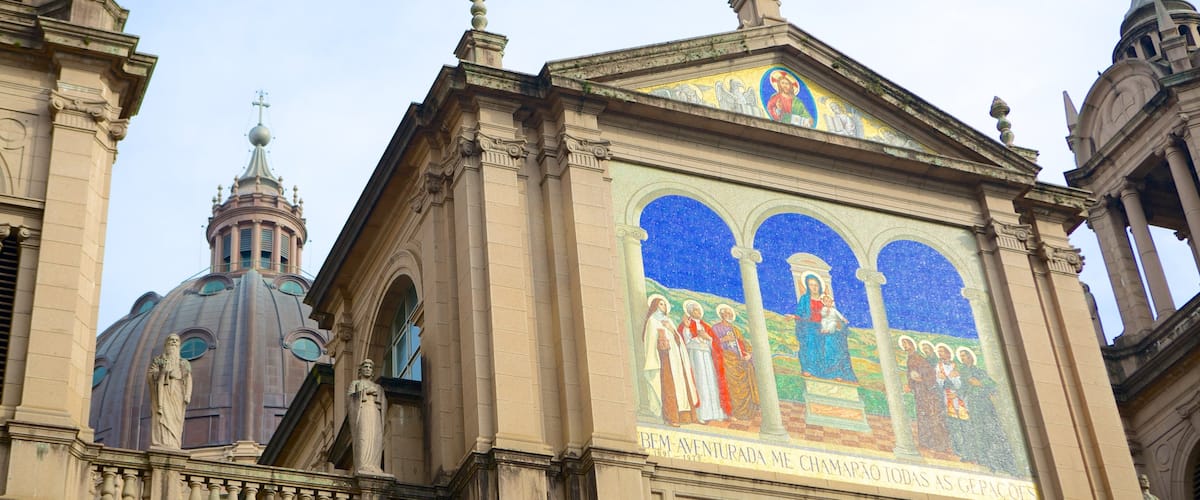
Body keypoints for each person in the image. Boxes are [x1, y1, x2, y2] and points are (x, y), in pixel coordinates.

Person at [954, 348, 1018, 475]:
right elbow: (962, 388)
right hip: (973, 405)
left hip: (985, 405)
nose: (962, 358)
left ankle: (998, 461)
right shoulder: (963, 372)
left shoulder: (979, 371)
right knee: (978, 431)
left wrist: (980, 383)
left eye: (964, 356)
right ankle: (984, 459)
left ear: (971, 357)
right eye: (961, 356)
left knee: (991, 430)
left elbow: (992, 385)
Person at [642, 295, 698, 426]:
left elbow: (678, 340)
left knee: (682, 386)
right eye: (661, 304)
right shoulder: (652, 321)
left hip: (676, 359)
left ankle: (685, 417)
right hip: (665, 359)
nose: (664, 306)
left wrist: (671, 329)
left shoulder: (669, 320)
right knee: (669, 387)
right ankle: (672, 417)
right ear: (655, 306)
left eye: (665, 304)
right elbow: (650, 341)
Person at [789, 275, 857, 382]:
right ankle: (809, 369)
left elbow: (834, 315)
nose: (814, 287)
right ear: (807, 286)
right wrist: (795, 317)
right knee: (810, 341)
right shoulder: (805, 299)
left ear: (820, 286)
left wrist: (839, 323)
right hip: (810, 325)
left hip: (825, 326)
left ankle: (835, 372)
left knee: (832, 344)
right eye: (811, 285)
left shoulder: (825, 300)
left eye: (816, 285)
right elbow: (801, 313)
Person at [899, 336, 951, 452]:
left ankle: (937, 443)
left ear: (912, 344)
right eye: (903, 344)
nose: (904, 346)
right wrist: (911, 383)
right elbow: (911, 374)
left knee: (931, 415)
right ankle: (925, 441)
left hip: (926, 391)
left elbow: (928, 372)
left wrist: (921, 379)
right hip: (919, 390)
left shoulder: (918, 358)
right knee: (922, 414)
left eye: (906, 343)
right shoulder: (911, 358)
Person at [679, 300, 728, 423]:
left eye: (699, 310)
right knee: (700, 384)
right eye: (695, 310)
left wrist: (708, 338)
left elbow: (714, 343)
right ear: (690, 312)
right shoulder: (685, 325)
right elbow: (684, 342)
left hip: (707, 357)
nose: (698, 312)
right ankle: (701, 414)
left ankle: (715, 413)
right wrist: (689, 331)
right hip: (695, 357)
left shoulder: (706, 326)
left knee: (711, 383)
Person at [711, 304, 759, 421]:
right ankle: (731, 412)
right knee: (731, 387)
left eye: (730, 313)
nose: (728, 315)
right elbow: (712, 344)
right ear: (721, 315)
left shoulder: (735, 330)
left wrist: (748, 354)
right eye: (725, 313)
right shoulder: (716, 328)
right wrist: (723, 340)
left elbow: (744, 344)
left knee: (744, 385)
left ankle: (747, 412)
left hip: (740, 361)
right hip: (727, 361)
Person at [147, 333, 192, 450]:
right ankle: (164, 441)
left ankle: (173, 441)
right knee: (164, 415)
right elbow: (151, 375)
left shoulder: (183, 363)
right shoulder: (158, 361)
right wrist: (163, 372)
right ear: (166, 344)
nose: (173, 342)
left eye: (176, 341)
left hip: (178, 392)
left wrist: (187, 394)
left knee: (175, 417)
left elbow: (188, 379)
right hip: (164, 389)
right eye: (171, 340)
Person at [348, 359, 387, 475]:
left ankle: (374, 466)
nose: (368, 369)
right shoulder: (355, 384)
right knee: (363, 436)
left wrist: (379, 395)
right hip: (363, 411)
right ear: (360, 370)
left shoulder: (378, 387)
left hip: (375, 412)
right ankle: (363, 464)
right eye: (365, 367)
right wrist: (365, 392)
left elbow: (384, 403)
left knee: (375, 437)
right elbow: (350, 400)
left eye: (370, 367)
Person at [934, 343, 970, 460]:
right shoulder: (938, 367)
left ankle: (968, 451)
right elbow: (939, 384)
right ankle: (958, 450)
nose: (940, 354)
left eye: (942, 351)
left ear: (948, 353)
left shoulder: (957, 366)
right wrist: (941, 380)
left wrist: (951, 381)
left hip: (960, 399)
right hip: (947, 397)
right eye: (938, 352)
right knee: (953, 425)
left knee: (964, 424)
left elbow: (962, 383)